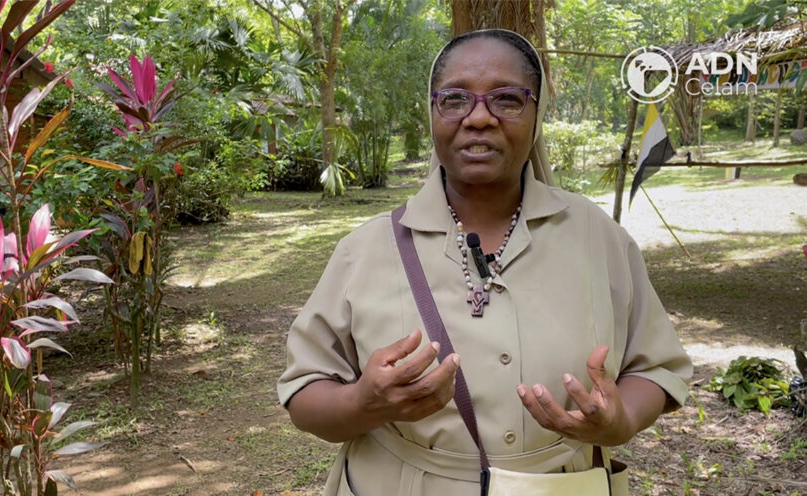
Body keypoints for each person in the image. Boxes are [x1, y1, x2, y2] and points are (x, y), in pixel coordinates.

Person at [277, 29, 693, 496]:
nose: (478, 118)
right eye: (454, 99)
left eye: (507, 99)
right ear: (432, 112)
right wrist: (362, 403)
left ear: (536, 114)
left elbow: (655, 368)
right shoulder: (366, 249)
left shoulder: (598, 237)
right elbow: (304, 392)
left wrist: (621, 420)